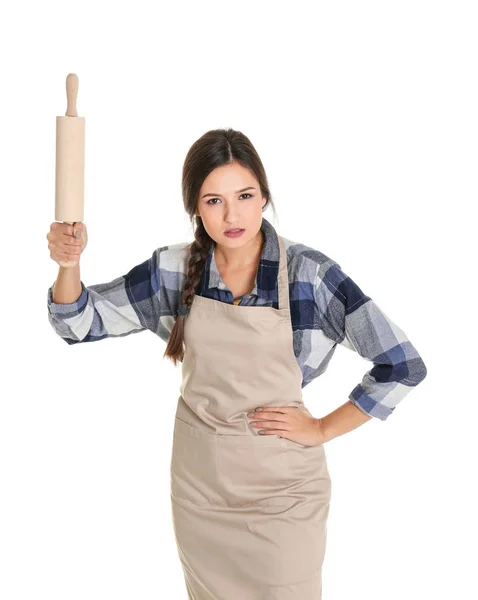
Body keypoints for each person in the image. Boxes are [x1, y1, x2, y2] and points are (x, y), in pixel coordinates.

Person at [46, 128, 427, 599]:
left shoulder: (309, 274)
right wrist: (69, 265)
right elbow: (77, 323)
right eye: (213, 201)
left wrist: (323, 428)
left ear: (264, 196)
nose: (232, 215)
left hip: (284, 496)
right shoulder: (173, 269)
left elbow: (402, 363)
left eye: (244, 196)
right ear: (195, 207)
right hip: (200, 493)